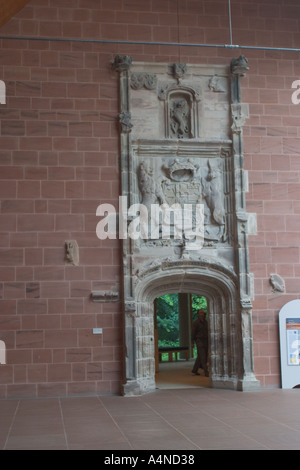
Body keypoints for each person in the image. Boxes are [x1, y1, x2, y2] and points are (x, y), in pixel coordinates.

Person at [191, 309, 209, 377]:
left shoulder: (206, 322)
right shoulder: (196, 323)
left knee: (200, 357)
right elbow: (193, 333)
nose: (201, 314)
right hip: (199, 340)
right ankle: (206, 371)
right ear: (198, 314)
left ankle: (194, 370)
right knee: (203, 356)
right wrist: (192, 342)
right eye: (200, 313)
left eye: (202, 313)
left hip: (206, 340)